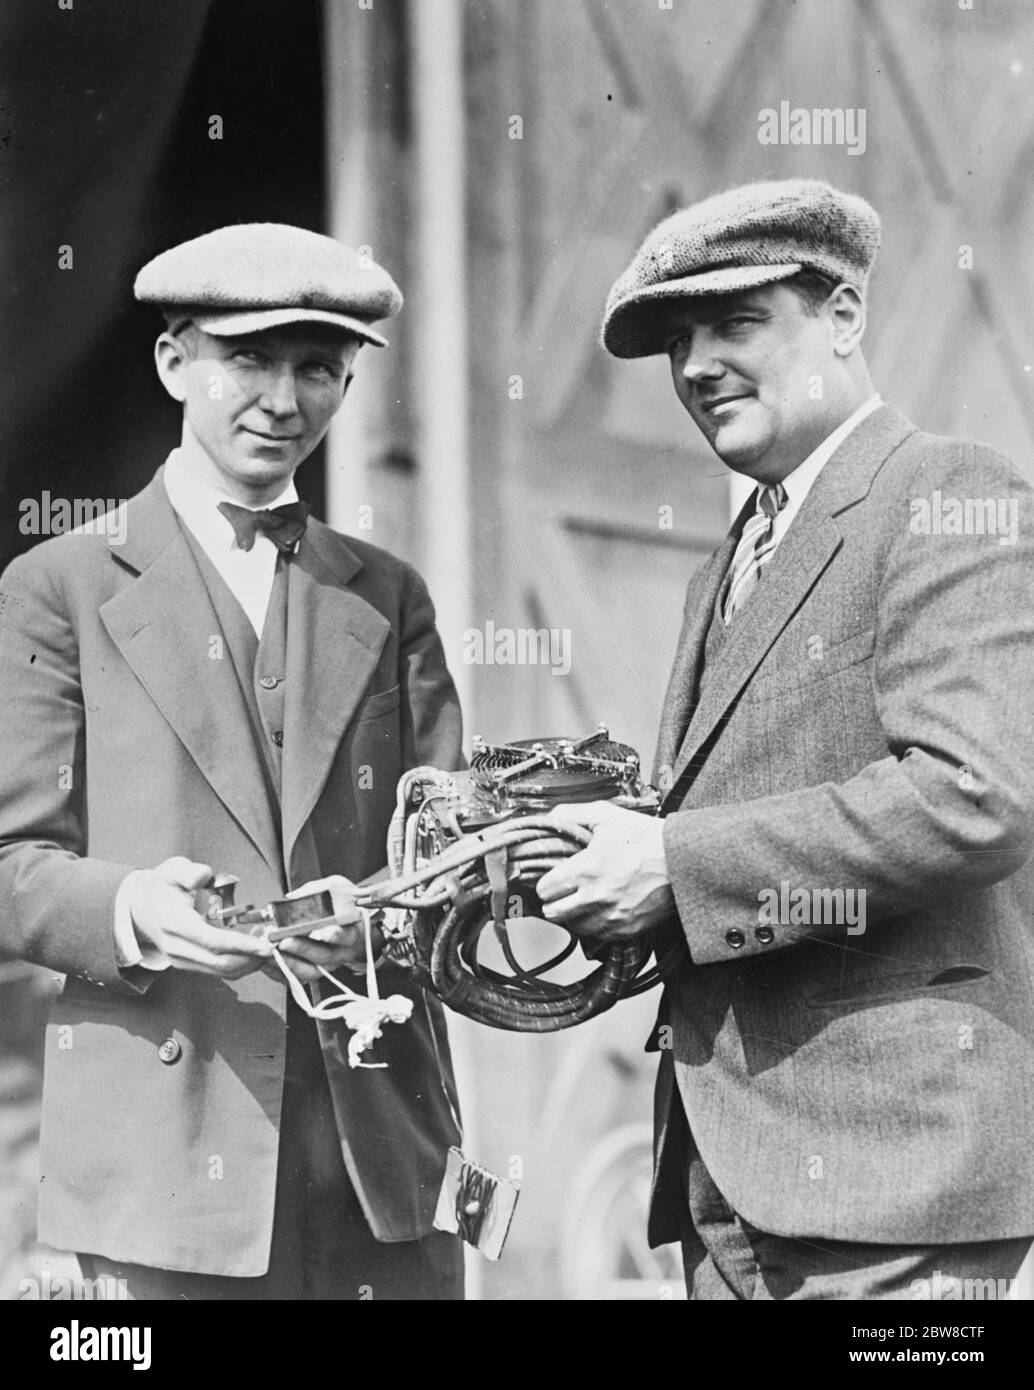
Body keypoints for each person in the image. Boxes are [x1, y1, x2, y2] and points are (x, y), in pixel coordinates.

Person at [536, 179, 1034, 1300]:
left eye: (735, 322)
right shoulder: (727, 562)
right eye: (676, 340)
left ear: (844, 317)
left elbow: (973, 796)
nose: (696, 365)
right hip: (728, 1181)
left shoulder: (946, 493)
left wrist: (672, 866)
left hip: (897, 1181)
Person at [0, 222, 465, 1300]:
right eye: (247, 359)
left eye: (317, 368)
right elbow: (12, 861)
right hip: (164, 1161)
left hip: (376, 1157)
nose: (281, 398)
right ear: (175, 363)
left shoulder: (387, 596)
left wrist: (397, 908)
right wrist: (132, 911)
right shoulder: (59, 586)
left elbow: (448, 845)